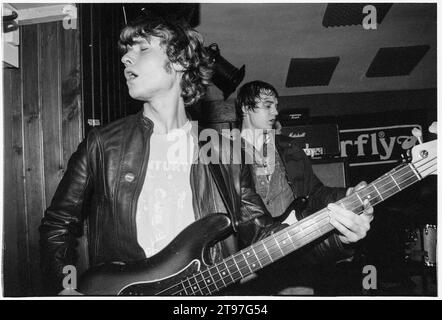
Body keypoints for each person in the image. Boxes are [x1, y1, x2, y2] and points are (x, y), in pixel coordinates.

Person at [39, 15, 372, 296]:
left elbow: (260, 236)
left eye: (141, 49)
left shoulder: (224, 151)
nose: (126, 58)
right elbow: (58, 223)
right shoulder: (103, 144)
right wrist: (66, 286)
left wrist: (336, 237)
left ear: (181, 62)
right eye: (125, 51)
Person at [234, 80, 373, 294]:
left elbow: (315, 192)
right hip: (247, 261)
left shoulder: (290, 148)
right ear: (245, 107)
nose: (275, 111)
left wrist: (347, 193)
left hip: (294, 260)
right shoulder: (224, 155)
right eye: (268, 105)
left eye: (276, 105)